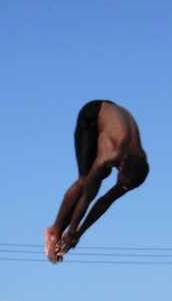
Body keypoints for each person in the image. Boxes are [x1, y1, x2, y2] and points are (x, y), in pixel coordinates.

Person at [44, 100, 149, 263]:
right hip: (92, 115)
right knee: (86, 181)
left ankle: (61, 231)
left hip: (116, 117)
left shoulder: (138, 169)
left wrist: (79, 233)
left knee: (102, 175)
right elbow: (87, 197)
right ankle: (54, 230)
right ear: (120, 167)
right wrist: (71, 233)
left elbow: (105, 201)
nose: (122, 189)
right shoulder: (110, 154)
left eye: (125, 188)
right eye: (122, 185)